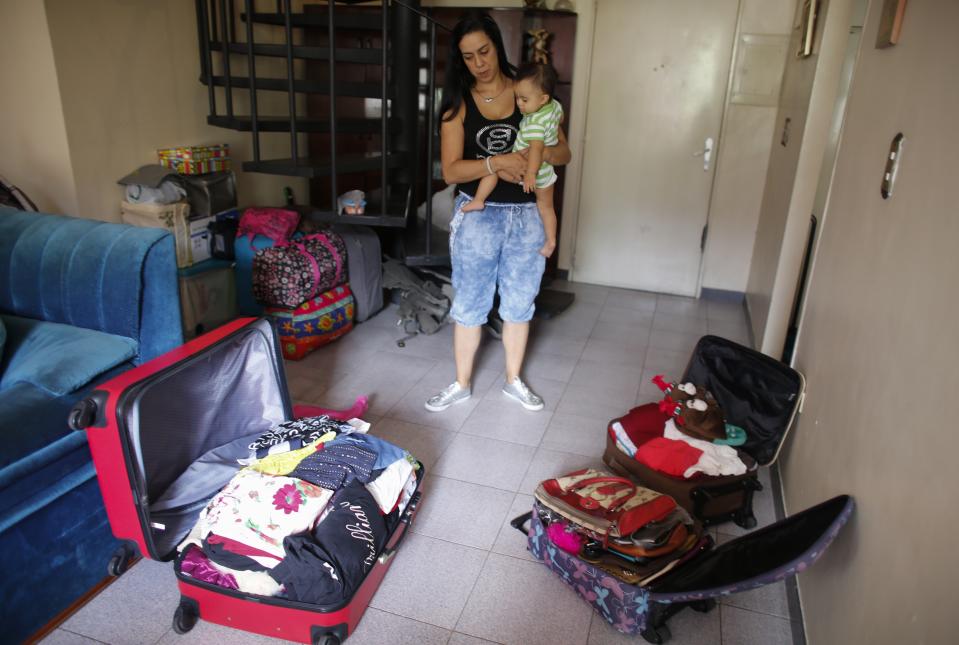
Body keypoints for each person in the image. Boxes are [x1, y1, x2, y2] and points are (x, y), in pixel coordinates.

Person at [424, 10, 571, 413]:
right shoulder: (456, 105)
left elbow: (564, 152)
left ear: (496, 46)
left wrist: (532, 155)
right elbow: (451, 170)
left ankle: (513, 380)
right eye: (469, 57)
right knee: (470, 302)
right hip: (478, 214)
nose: (479, 63)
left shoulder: (530, 92)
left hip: (527, 216)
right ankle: (460, 383)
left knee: (520, 301)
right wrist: (496, 163)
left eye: (484, 51)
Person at [462, 62, 562, 260]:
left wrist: (530, 175)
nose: (519, 104)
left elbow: (536, 149)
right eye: (517, 98)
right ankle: (551, 240)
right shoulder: (554, 108)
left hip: (527, 171)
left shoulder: (534, 123)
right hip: (547, 173)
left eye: (524, 100)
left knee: (492, 168)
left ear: (543, 98)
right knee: (546, 207)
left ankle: (478, 200)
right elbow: (560, 120)